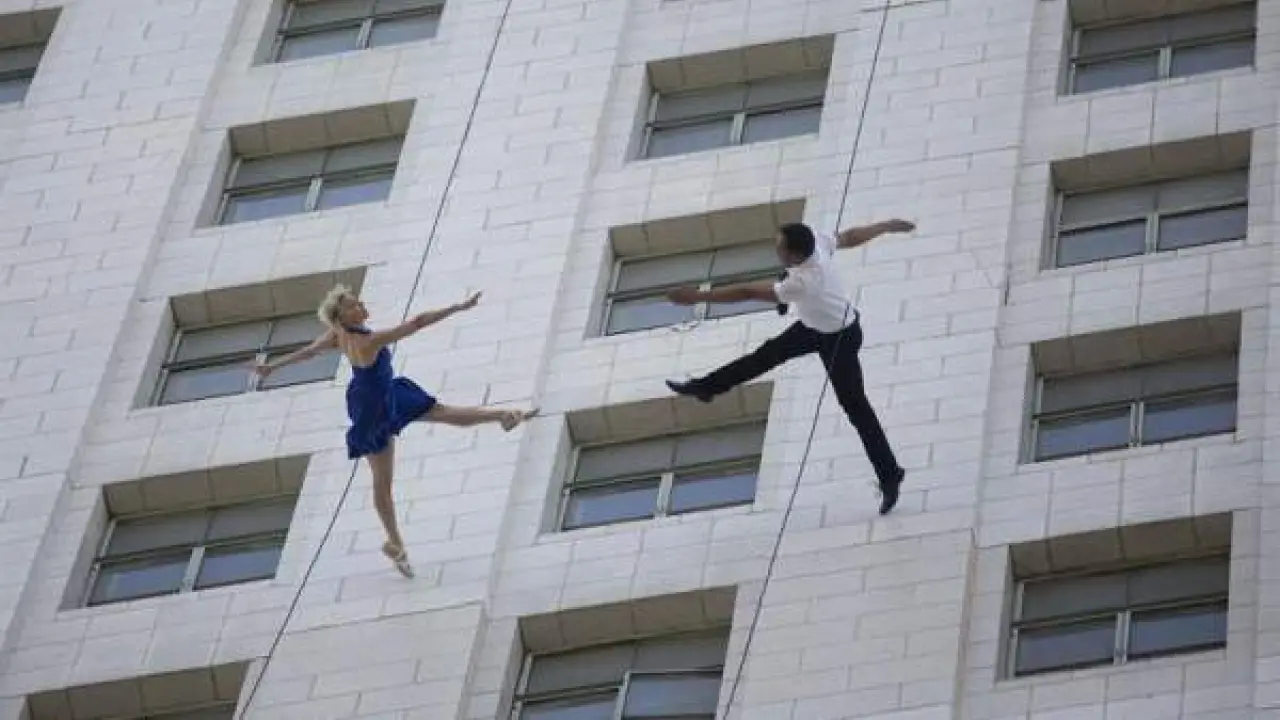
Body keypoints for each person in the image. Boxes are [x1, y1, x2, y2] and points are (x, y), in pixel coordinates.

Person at [252, 286, 537, 577]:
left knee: (439, 413)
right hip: (374, 407)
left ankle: (502, 416)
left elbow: (309, 352)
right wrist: (457, 308)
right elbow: (416, 323)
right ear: (342, 317)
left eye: (359, 302)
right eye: (353, 305)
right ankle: (395, 542)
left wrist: (272, 367)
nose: (361, 306)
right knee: (383, 479)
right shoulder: (368, 340)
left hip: (380, 393)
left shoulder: (337, 335)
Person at [664, 219, 915, 515]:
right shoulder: (816, 241)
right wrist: (885, 226)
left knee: (857, 410)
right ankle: (706, 387)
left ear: (795, 254)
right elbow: (848, 237)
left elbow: (747, 293)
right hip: (813, 328)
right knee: (764, 356)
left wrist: (697, 297)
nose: (776, 249)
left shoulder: (805, 282)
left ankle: (890, 474)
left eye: (780, 247)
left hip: (839, 340)